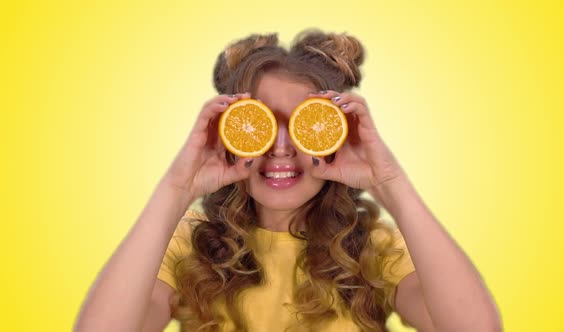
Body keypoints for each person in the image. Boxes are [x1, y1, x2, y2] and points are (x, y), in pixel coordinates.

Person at [74, 30, 502, 332]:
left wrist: (388, 180)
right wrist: (176, 189)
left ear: (338, 132)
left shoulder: (375, 249)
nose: (281, 148)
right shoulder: (188, 245)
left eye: (304, 125)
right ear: (228, 131)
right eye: (259, 123)